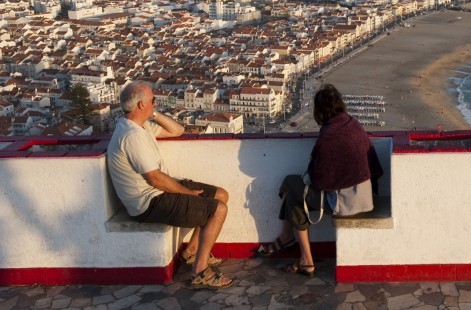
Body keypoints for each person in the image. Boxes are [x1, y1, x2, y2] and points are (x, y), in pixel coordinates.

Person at [106, 80, 232, 289]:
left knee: (221, 195)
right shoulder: (131, 135)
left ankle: (192, 252)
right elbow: (154, 179)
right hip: (148, 202)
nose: (156, 103)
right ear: (140, 105)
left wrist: (153, 113)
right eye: (153, 100)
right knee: (219, 209)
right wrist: (187, 193)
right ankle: (200, 271)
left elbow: (177, 130)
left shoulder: (140, 126)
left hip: (157, 191)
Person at [258, 84, 382, 277]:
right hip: (364, 196)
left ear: (320, 110)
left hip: (345, 203)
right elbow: (372, 163)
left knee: (290, 184)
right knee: (294, 202)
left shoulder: (329, 135)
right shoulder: (353, 123)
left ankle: (286, 238)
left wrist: (312, 170)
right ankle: (305, 259)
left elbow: (320, 180)